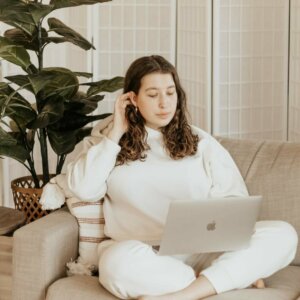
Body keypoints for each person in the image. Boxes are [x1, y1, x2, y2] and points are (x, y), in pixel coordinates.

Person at [66, 55, 298, 300]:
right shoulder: (105, 143)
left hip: (204, 251)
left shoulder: (201, 142)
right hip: (143, 257)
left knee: (283, 234)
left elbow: (234, 200)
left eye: (170, 93)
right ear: (132, 99)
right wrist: (115, 134)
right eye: (153, 95)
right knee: (115, 263)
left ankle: (183, 295)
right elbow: (83, 189)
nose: (164, 103)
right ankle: (220, 280)